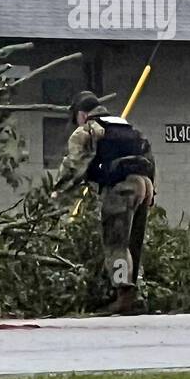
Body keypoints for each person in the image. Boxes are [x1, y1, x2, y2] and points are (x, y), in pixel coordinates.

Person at [50, 91, 156, 314]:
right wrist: (152, 190)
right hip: (145, 184)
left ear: (81, 114)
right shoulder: (125, 125)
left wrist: (57, 192)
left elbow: (73, 164)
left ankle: (122, 295)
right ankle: (133, 292)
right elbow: (148, 153)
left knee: (116, 242)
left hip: (121, 187)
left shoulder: (88, 129)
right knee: (133, 243)